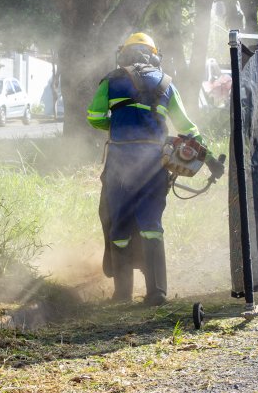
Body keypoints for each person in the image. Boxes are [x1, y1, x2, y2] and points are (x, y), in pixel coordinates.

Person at [87, 32, 206, 305]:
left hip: (119, 162)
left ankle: (122, 294)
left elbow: (94, 117)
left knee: (118, 223)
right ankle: (157, 293)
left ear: (124, 54)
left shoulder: (111, 81)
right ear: (154, 56)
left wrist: (117, 127)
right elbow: (188, 128)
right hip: (154, 163)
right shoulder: (166, 84)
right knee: (152, 223)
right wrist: (206, 155)